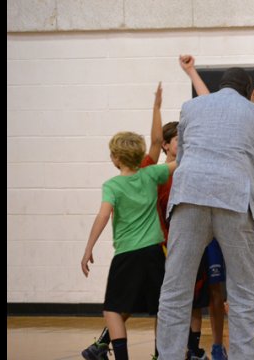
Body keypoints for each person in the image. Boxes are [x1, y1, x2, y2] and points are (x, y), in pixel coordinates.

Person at [156, 67, 254, 359]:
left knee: (175, 290)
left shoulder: (191, 107)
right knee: (243, 292)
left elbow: (186, 155)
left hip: (189, 196)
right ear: (246, 91)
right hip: (234, 201)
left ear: (221, 85)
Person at [81, 83, 175, 360]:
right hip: (156, 252)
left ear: (115, 157)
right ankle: (161, 354)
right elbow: (169, 154)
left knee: (113, 308)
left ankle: (117, 356)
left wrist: (88, 248)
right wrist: (157, 107)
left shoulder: (112, 185)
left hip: (127, 254)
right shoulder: (151, 175)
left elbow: (103, 215)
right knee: (160, 307)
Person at [179, 54, 229, 360]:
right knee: (202, 291)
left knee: (224, 292)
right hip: (200, 224)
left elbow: (212, 103)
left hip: (225, 221)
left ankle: (223, 345)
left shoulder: (228, 139)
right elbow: (207, 101)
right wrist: (191, 71)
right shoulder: (196, 143)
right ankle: (198, 346)